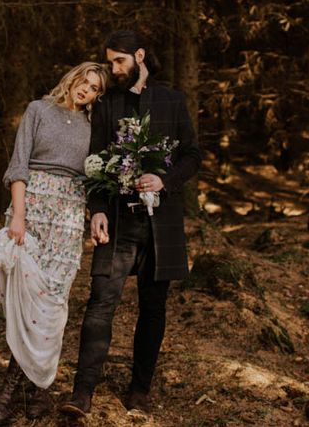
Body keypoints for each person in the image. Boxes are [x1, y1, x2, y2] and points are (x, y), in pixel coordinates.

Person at [60, 30, 201, 417]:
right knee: (101, 303)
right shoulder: (108, 104)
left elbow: (191, 154)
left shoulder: (172, 100)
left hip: (162, 221)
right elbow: (94, 161)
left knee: (154, 308)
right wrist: (98, 208)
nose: (113, 69)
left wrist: (166, 180)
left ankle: (139, 391)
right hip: (119, 221)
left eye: (119, 61)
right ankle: (81, 394)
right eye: (109, 62)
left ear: (140, 55)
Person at [0, 61, 108, 426]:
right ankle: (24, 386)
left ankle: (31, 385)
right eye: (84, 81)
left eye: (95, 88)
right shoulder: (38, 110)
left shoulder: (93, 129)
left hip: (68, 217)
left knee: (53, 302)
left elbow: (93, 182)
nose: (86, 89)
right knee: (23, 301)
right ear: (72, 79)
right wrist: (19, 215)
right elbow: (18, 165)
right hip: (32, 209)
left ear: (97, 97)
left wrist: (94, 216)